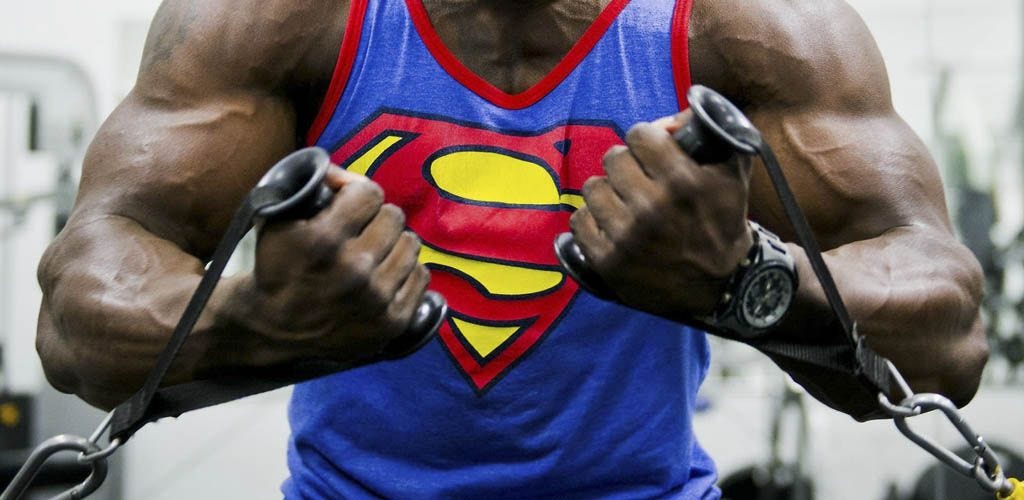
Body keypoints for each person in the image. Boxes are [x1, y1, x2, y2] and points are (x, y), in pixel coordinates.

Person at [35, 0, 987, 497]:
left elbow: (946, 333)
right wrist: (259, 323)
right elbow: (79, 315)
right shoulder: (282, 22)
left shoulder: (749, 31)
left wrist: (745, 282)